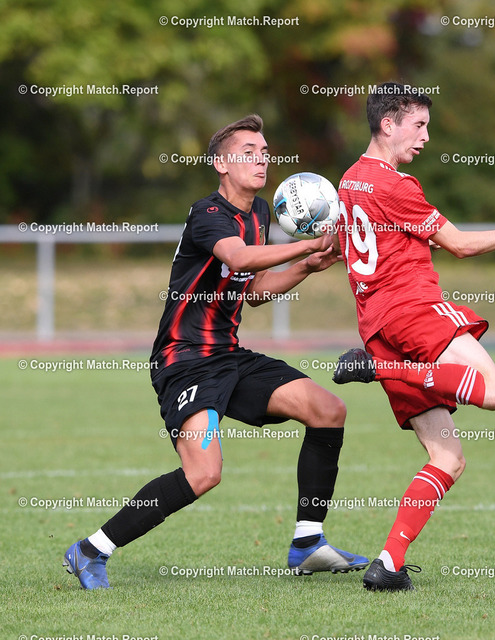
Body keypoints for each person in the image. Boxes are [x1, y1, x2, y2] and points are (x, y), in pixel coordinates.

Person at [63, 114, 368, 589]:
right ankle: (90, 550)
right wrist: (305, 244)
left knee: (328, 409)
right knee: (203, 474)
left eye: (264, 152)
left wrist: (307, 266)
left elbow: (255, 289)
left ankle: (308, 543)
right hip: (184, 359)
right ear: (221, 164)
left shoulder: (260, 212)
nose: (261, 160)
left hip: (228, 354)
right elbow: (239, 257)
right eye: (248, 152)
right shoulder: (207, 213)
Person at [332, 82, 495, 592]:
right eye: (418, 125)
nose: (425, 136)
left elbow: (361, 243)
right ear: (388, 124)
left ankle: (388, 564)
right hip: (414, 314)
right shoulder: (397, 184)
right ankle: (379, 370)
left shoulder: (350, 180)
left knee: (447, 458)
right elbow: (460, 245)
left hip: (376, 328)